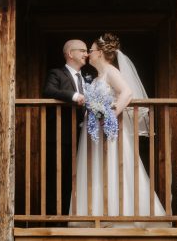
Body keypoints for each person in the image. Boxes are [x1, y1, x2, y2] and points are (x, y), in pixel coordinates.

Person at [71, 33, 167, 221]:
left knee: (112, 169)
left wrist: (110, 115)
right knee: (96, 170)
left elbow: (127, 93)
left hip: (108, 130)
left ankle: (116, 215)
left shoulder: (111, 71)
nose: (88, 54)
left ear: (99, 53)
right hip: (93, 131)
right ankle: (94, 215)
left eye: (90, 50)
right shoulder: (98, 76)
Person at [42, 39, 91, 215]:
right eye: (83, 50)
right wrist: (74, 95)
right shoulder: (56, 73)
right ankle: (56, 217)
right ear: (70, 53)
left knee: (79, 178)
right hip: (60, 137)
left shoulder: (87, 79)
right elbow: (48, 90)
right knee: (59, 179)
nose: (87, 54)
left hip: (83, 137)